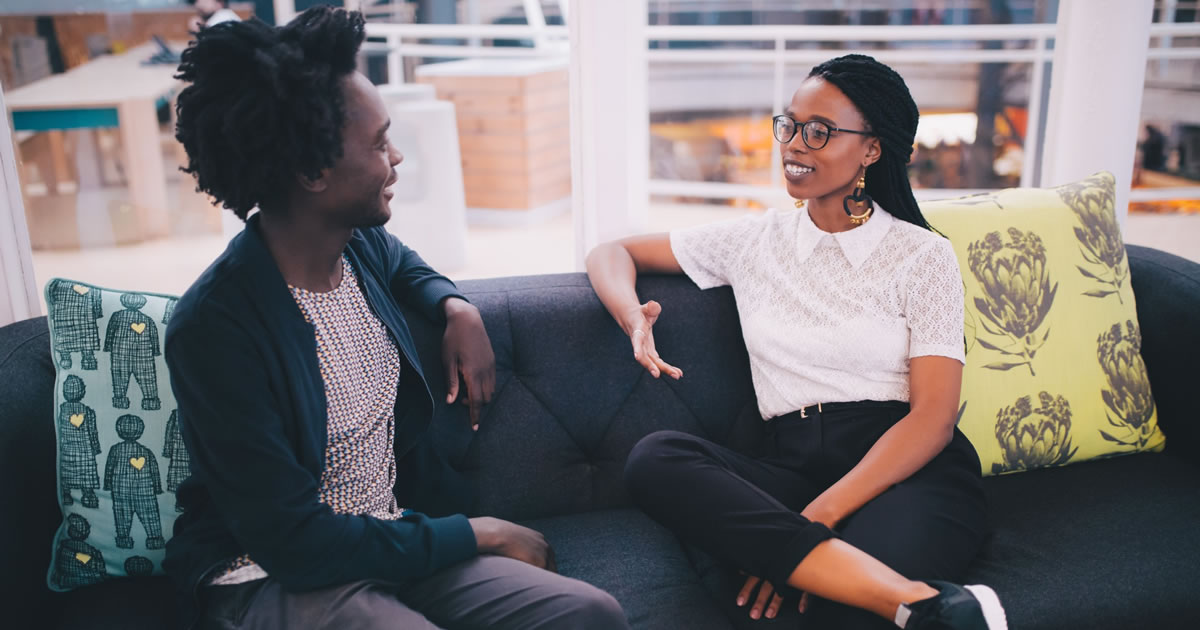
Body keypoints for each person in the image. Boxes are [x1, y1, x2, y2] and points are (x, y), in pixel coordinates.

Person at [165, 7, 628, 630]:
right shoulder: (215, 329)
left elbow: (405, 263)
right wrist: (475, 533)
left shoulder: (353, 246)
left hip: (390, 538)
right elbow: (295, 542)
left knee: (589, 613)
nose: (398, 156)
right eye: (380, 143)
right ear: (312, 173)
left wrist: (455, 306)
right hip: (274, 573)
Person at [587, 54, 1006, 630]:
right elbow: (612, 252)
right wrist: (632, 315)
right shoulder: (754, 240)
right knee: (656, 458)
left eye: (820, 132)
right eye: (789, 125)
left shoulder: (922, 256)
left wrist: (809, 527)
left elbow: (932, 419)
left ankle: (883, 591)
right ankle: (924, 602)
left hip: (904, 471)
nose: (794, 145)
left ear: (871, 150)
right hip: (790, 465)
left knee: (837, 610)